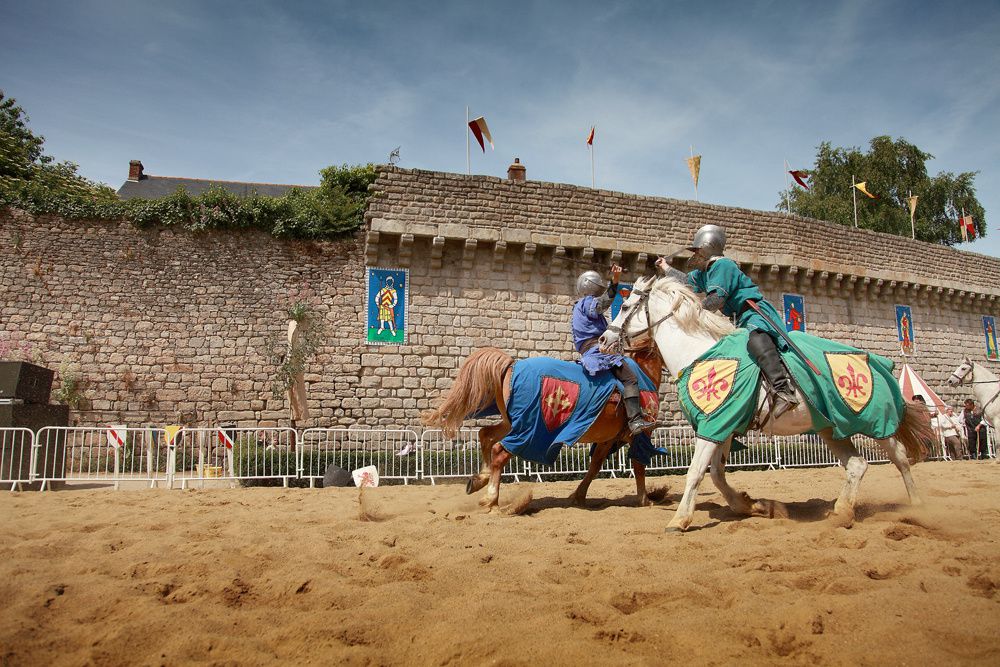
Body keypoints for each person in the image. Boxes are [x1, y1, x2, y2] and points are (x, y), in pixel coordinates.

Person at [656, 224, 799, 418]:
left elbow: (716, 299)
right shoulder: (704, 272)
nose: (695, 254)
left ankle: (783, 390)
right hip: (738, 318)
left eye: (697, 249)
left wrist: (690, 312)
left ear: (708, 247)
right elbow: (686, 283)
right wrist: (666, 268)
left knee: (756, 338)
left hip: (754, 313)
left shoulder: (723, 265)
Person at [573, 264, 656, 435]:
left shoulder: (577, 307)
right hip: (598, 352)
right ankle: (635, 421)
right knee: (630, 378)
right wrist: (615, 281)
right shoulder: (588, 303)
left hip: (589, 350)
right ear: (594, 286)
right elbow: (603, 303)